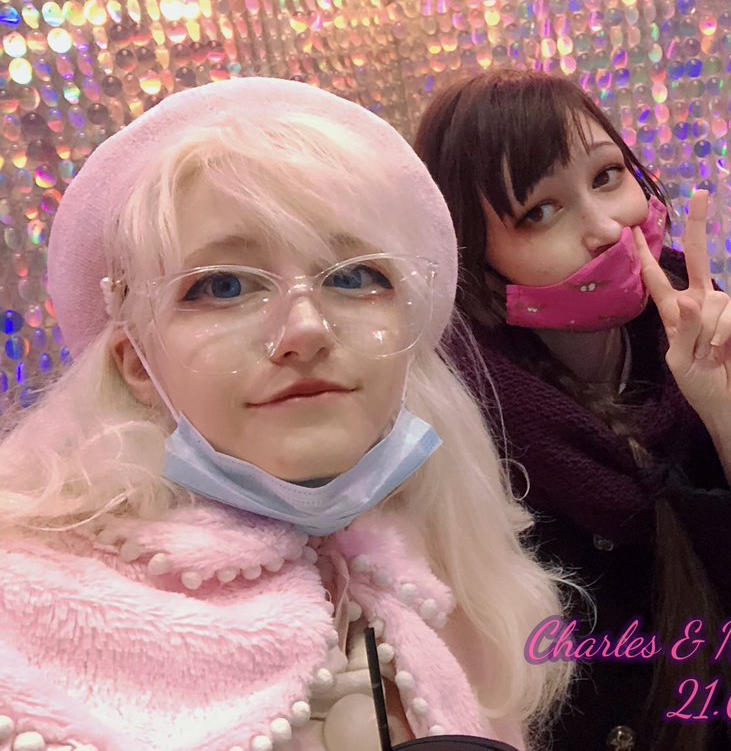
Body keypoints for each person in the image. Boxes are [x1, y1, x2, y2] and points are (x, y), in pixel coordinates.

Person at [0, 78, 572, 751]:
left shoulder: (449, 582)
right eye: (223, 286)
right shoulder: (19, 619)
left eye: (355, 277)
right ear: (136, 362)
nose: (304, 329)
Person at [415, 69, 731, 751]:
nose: (605, 227)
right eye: (539, 212)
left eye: (607, 176)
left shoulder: (705, 345)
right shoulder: (453, 420)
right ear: (472, 258)